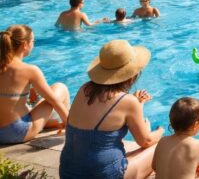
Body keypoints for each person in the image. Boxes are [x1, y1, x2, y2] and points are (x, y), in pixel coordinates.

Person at [59, 40, 163, 179]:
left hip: (68, 173)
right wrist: (160, 131)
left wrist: (138, 104)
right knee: (159, 148)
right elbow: (146, 141)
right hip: (102, 175)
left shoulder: (84, 89)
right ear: (131, 73)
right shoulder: (128, 102)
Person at [0, 25, 70, 144]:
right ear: (25, 45)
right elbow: (54, 101)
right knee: (61, 88)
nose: (33, 45)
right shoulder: (30, 70)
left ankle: (47, 123)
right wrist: (73, 129)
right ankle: (67, 125)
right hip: (14, 133)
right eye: (33, 41)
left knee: (35, 102)